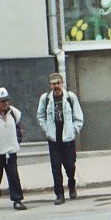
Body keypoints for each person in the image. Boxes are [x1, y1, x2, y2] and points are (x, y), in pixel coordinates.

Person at [36, 72, 84, 204]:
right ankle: (59, 194)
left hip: (68, 138)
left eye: (58, 83)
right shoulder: (45, 99)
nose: (56, 86)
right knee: (56, 167)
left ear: (62, 83)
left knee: (70, 166)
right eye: (53, 84)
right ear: (50, 85)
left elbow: (78, 116)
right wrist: (47, 129)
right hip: (54, 139)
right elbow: (40, 115)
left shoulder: (70, 97)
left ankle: (71, 185)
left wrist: (74, 130)